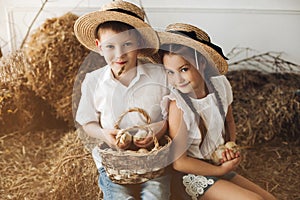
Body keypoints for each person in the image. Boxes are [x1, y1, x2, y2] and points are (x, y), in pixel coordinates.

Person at [158, 23, 277, 200]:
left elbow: (229, 122)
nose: (178, 79)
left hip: (216, 163)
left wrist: (230, 149)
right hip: (190, 175)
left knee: (269, 198)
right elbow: (179, 162)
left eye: (184, 69)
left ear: (202, 63)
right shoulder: (178, 106)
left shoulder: (220, 86)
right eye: (170, 72)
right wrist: (220, 170)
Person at [74, 1, 170, 199]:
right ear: (99, 47)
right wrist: (103, 133)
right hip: (113, 163)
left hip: (152, 158)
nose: (119, 55)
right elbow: (87, 122)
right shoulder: (93, 81)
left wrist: (159, 128)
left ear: (139, 45)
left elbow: (174, 116)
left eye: (127, 44)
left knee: (156, 195)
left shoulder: (160, 76)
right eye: (110, 46)